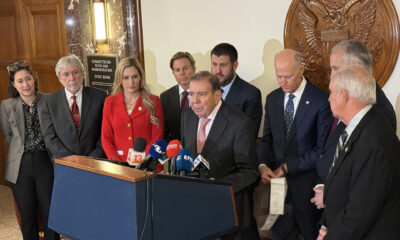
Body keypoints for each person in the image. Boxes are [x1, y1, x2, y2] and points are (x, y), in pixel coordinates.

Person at [311, 39, 398, 209]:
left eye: (335, 68)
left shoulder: (379, 111)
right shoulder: (340, 96)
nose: (331, 74)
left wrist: (330, 196)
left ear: (356, 66)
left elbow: (368, 182)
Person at [317, 65, 400, 240]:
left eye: (331, 92)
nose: (329, 98)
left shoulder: (374, 140)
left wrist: (330, 237)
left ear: (344, 95)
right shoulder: (362, 128)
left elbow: (360, 212)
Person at [257, 49, 332, 240]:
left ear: (301, 70)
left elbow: (321, 150)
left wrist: (287, 167)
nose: (282, 81)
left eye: (288, 76)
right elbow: (266, 139)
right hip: (277, 186)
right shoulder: (273, 99)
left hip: (306, 187)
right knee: (280, 234)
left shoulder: (320, 101)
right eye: (278, 76)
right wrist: (263, 165)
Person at [181, 71, 259, 239]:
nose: (194, 101)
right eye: (191, 94)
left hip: (227, 212)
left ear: (217, 95)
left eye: (201, 94)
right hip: (195, 208)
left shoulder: (239, 122)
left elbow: (249, 172)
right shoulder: (187, 116)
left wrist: (218, 187)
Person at [0, 61, 59, 240]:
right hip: (20, 166)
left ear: (34, 79)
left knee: (50, 212)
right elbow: (8, 135)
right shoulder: (6, 106)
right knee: (27, 214)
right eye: (20, 81)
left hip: (45, 162)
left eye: (28, 79)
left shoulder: (49, 100)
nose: (25, 84)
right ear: (13, 84)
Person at [41, 54, 107, 159]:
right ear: (59, 78)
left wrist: (92, 158)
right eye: (66, 74)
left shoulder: (100, 97)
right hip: (64, 163)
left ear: (83, 73)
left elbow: (105, 132)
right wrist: (72, 160)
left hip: (95, 161)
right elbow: (50, 137)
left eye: (75, 72)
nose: (72, 78)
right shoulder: (49, 102)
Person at [101, 57, 163, 161]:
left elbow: (157, 137)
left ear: (141, 77)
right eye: (126, 78)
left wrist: (141, 160)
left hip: (147, 163)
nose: (131, 82)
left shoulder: (153, 101)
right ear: (119, 79)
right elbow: (106, 138)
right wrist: (117, 162)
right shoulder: (110, 102)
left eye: (135, 76)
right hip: (119, 165)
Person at [211, 43, 262, 138]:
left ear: (235, 65)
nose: (218, 70)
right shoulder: (206, 90)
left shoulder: (250, 94)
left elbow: (248, 137)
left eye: (223, 65)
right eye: (214, 64)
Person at [160, 52, 196, 142]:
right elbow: (165, 131)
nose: (182, 73)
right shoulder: (165, 97)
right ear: (173, 73)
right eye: (177, 70)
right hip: (176, 152)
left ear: (194, 69)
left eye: (186, 68)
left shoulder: (204, 93)